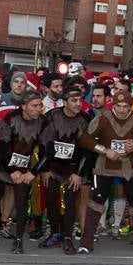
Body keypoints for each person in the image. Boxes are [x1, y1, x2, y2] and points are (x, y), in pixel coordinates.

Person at [78, 83, 133, 255]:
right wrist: (104, 150)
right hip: (104, 167)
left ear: (131, 105)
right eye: (118, 106)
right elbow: (85, 139)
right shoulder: (102, 118)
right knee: (96, 202)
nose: (121, 110)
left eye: (125, 106)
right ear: (113, 104)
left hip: (131, 167)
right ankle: (86, 241)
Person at [0, 93, 44, 253]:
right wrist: (12, 171)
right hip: (1, 163)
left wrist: (33, 172)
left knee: (22, 201)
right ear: (24, 106)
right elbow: (1, 148)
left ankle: (18, 240)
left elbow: (48, 151)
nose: (39, 109)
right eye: (34, 106)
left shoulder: (42, 122)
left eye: (40, 105)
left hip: (23, 167)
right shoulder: (10, 119)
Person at [38, 81, 93, 254]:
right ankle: (55, 233)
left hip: (74, 167)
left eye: (80, 100)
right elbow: (43, 145)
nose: (78, 104)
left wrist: (78, 173)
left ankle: (68, 237)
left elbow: (88, 150)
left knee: (70, 200)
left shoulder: (86, 120)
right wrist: (45, 169)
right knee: (50, 198)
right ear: (65, 101)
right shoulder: (52, 116)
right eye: (74, 100)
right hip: (53, 166)